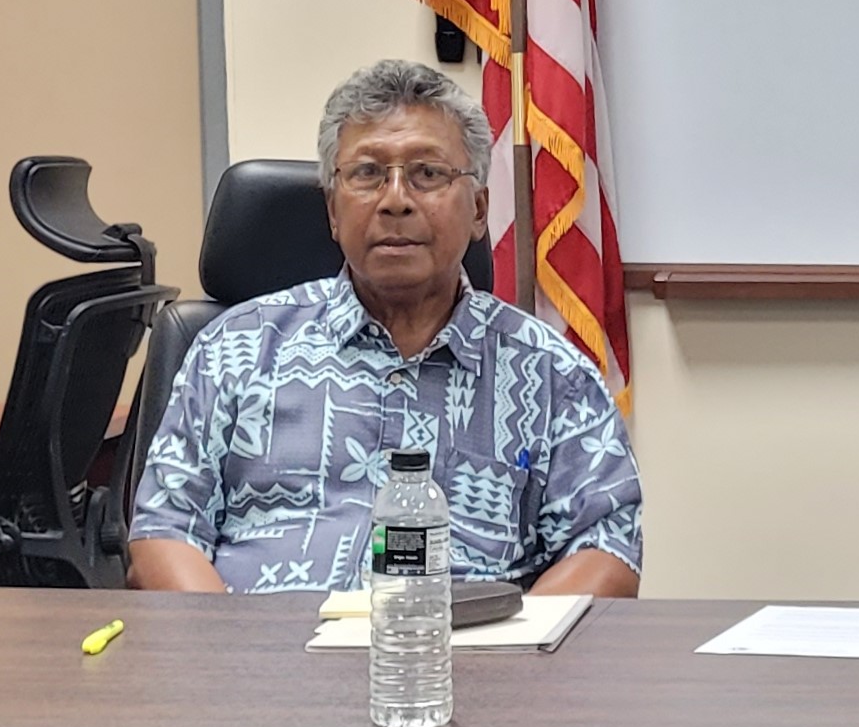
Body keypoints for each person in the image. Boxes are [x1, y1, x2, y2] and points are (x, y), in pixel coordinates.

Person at [129, 58, 642, 595]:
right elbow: (163, 531)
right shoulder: (236, 347)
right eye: (368, 174)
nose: (396, 200)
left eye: (428, 174)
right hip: (261, 641)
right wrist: (232, 642)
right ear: (332, 210)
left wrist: (518, 645)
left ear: (479, 210)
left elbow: (607, 547)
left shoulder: (551, 372)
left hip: (463, 644)